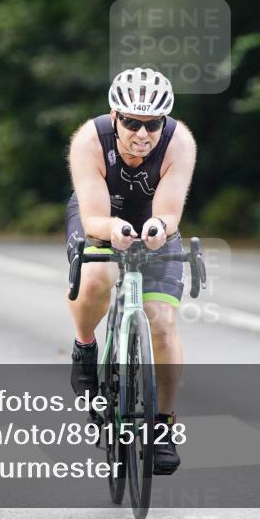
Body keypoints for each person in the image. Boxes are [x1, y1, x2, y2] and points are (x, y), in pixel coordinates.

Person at [65, 67, 196, 475]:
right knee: (98, 278)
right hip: (100, 216)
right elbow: (93, 219)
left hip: (154, 222)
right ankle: (85, 346)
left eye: (153, 124)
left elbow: (169, 212)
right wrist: (113, 230)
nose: (143, 133)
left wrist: (158, 228)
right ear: (114, 116)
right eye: (132, 123)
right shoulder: (89, 140)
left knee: (162, 324)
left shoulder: (179, 142)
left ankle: (163, 426)